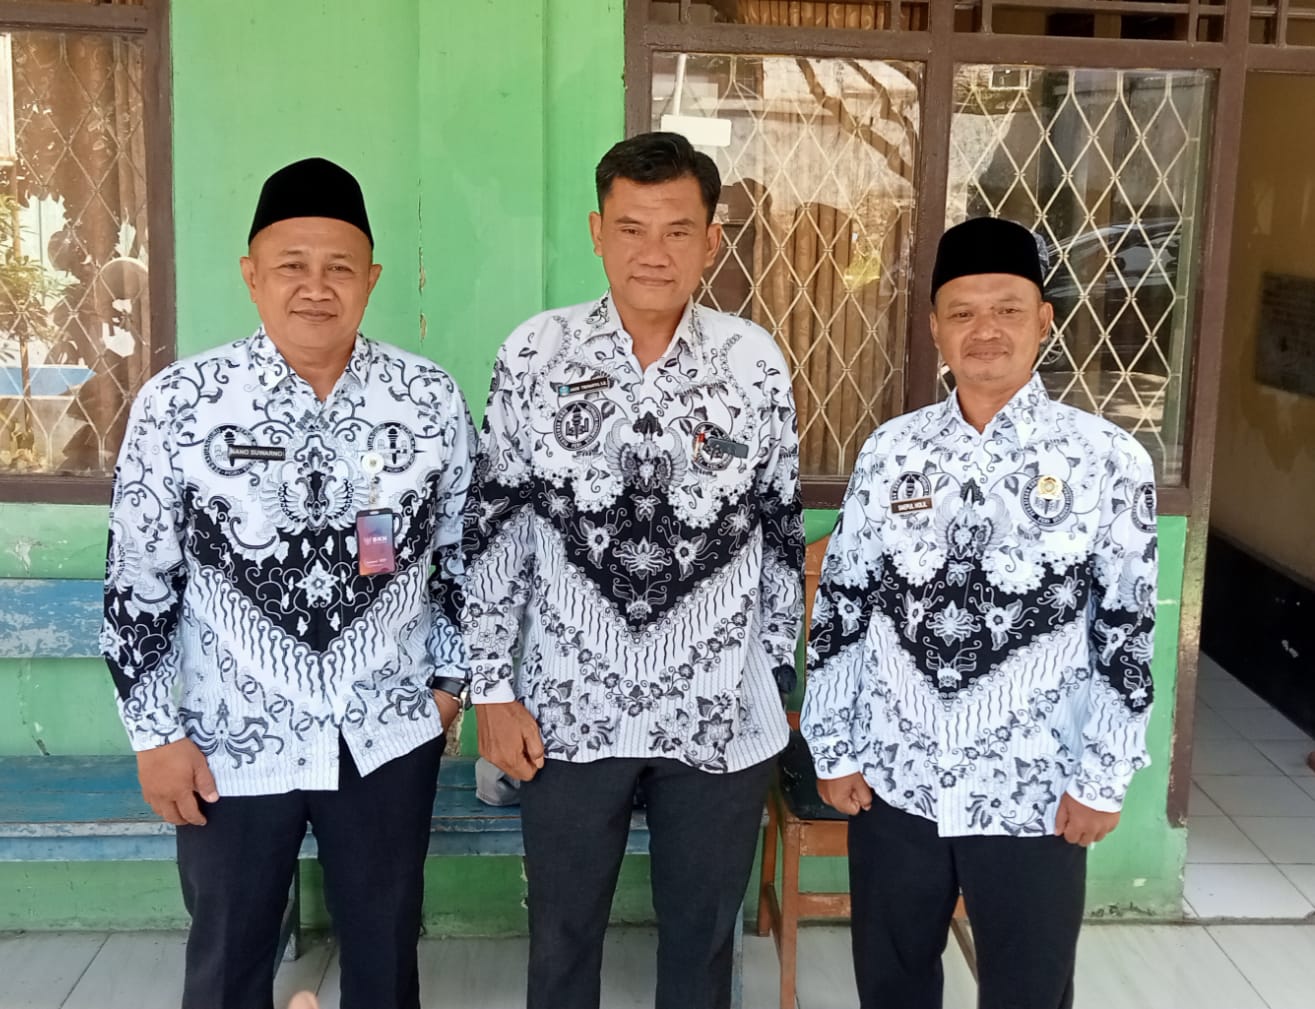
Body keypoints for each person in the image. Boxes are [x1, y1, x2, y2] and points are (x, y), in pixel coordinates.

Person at [101, 157, 474, 1009]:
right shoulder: (180, 404)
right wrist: (154, 735)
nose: (316, 287)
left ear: (371, 278)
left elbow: (465, 551)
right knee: (228, 961)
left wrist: (449, 685)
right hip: (226, 741)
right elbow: (137, 578)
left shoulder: (427, 400)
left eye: (339, 266)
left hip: (385, 732)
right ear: (251, 275)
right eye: (291, 265)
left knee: (385, 955)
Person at [460, 131, 804, 1009]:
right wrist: (491, 688)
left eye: (677, 229)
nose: (654, 252)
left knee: (701, 948)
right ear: (596, 231)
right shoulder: (535, 353)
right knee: (562, 939)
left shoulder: (752, 362)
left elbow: (776, 531)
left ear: (711, 240)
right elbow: (495, 526)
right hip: (566, 710)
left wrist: (770, 676)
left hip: (718, 715)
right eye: (631, 227)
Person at [801, 216, 1158, 1009]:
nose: (984, 329)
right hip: (896, 777)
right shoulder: (891, 451)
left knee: (1027, 989)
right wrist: (834, 745)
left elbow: (1126, 629)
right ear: (934, 328)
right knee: (891, 984)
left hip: (1036, 788)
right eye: (961, 311)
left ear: (1044, 320)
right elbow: (843, 605)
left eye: (1006, 309)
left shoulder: (1106, 459)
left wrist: (1103, 776)